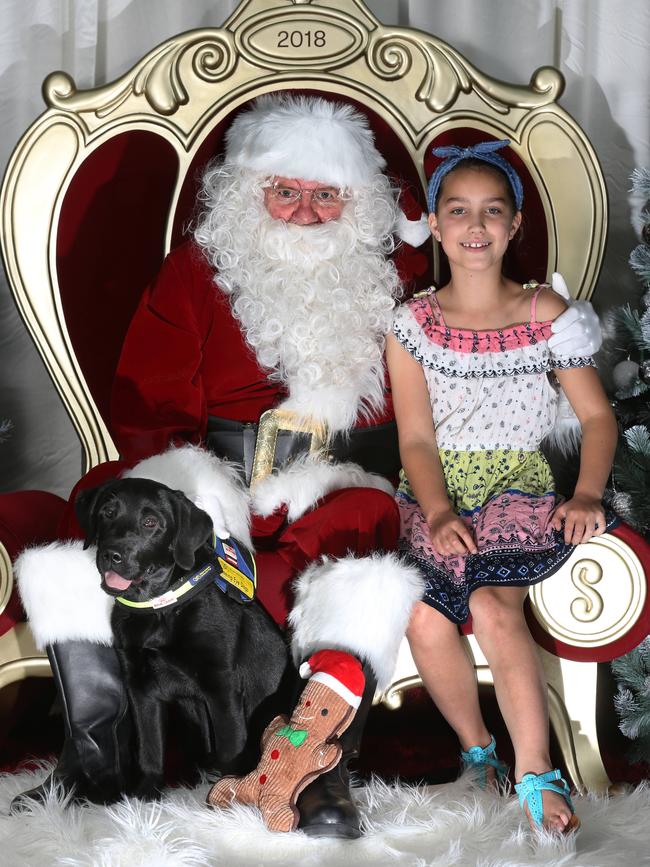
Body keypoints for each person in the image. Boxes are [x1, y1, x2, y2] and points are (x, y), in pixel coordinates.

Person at [13, 99, 602, 837]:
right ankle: (98, 761)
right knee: (83, 525)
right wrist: (196, 491)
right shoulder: (197, 270)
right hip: (211, 475)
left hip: (341, 477)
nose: (304, 211)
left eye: (327, 194)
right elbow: (147, 393)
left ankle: (317, 769)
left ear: (358, 203)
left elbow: (467, 276)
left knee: (359, 542)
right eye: (284, 190)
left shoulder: (395, 273)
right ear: (248, 190)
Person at [386, 140, 618, 835]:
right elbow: (417, 440)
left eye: (492, 211)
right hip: (435, 489)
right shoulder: (413, 326)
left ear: (515, 225)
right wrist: (436, 509)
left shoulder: (545, 313)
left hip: (516, 486)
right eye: (458, 210)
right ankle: (477, 752)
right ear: (433, 222)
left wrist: (586, 493)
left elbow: (599, 417)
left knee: (491, 603)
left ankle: (535, 769)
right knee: (424, 615)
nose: (475, 225)